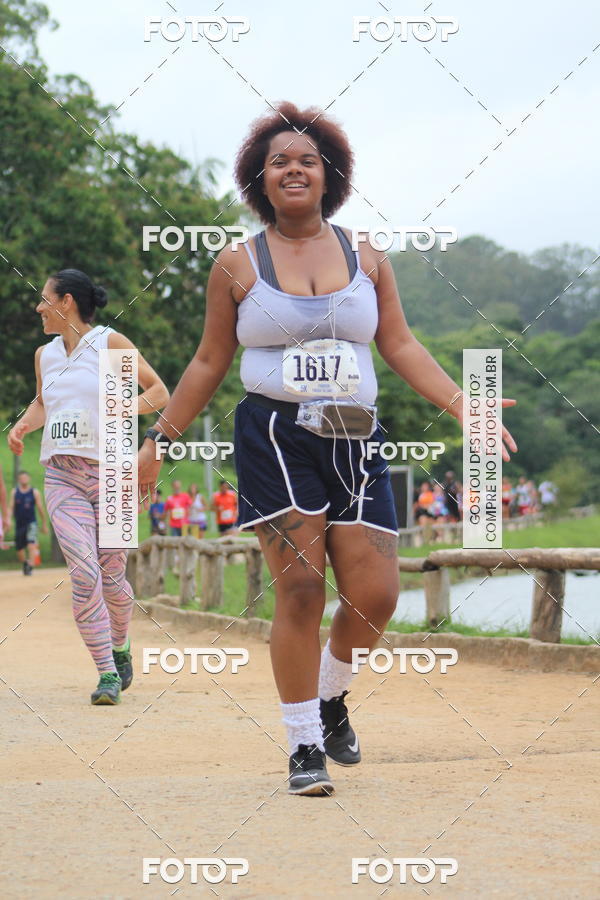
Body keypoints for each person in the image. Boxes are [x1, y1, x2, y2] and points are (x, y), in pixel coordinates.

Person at [137, 102, 517, 795]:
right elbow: (207, 360)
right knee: (304, 588)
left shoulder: (367, 255)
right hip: (275, 438)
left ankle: (330, 697)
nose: (293, 169)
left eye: (306, 160)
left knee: (375, 594)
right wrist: (160, 439)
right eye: (279, 160)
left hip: (355, 437)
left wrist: (465, 402)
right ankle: (303, 745)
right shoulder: (235, 264)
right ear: (260, 176)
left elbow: (398, 344)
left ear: (328, 174)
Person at [7, 268, 168, 704]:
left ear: (67, 302)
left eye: (45, 299)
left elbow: (158, 391)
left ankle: (121, 648)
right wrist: (23, 424)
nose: (39, 307)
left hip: (114, 474)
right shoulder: (46, 355)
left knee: (112, 574)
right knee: (83, 571)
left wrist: (122, 408)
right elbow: (43, 402)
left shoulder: (109, 344)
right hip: (62, 475)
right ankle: (106, 675)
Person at [8, 471, 48, 575]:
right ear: (18, 480)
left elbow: (40, 508)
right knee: (19, 548)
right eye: (21, 478)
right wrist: (8, 519)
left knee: (31, 544)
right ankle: (26, 563)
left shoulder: (34, 492)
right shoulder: (14, 492)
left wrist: (44, 523)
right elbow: (11, 507)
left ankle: (30, 566)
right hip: (19, 523)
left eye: (25, 478)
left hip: (31, 523)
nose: (23, 480)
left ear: (29, 479)